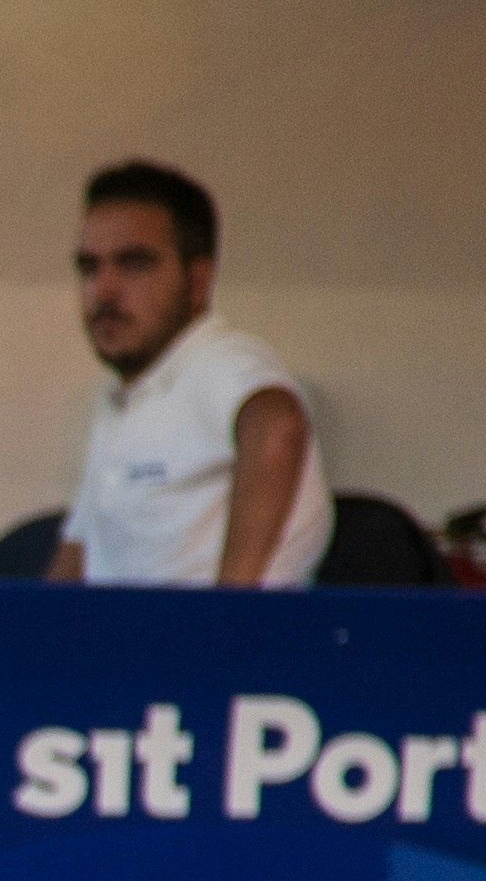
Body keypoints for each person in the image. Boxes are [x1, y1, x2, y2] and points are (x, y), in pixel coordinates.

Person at [51, 159, 325, 590]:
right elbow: (79, 554)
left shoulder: (218, 361)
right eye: (89, 268)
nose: (103, 290)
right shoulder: (123, 398)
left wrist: (223, 618)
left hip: (215, 652)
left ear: (197, 281)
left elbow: (277, 423)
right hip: (123, 651)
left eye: (133, 264)